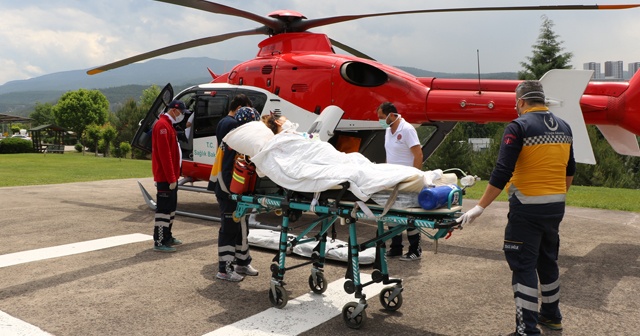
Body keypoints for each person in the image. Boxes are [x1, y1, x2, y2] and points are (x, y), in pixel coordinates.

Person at [456, 80, 575, 336]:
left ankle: (527, 330)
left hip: (527, 209)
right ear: (542, 100)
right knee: (548, 261)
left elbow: (502, 171)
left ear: (520, 102)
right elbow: (570, 171)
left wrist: (479, 207)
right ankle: (552, 317)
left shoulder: (518, 126)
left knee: (523, 266)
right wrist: (557, 196)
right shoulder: (565, 127)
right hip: (555, 208)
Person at [214, 95, 260, 281]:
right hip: (228, 190)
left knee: (241, 226)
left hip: (235, 190)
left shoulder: (233, 133)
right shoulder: (233, 136)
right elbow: (226, 169)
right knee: (229, 228)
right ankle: (224, 269)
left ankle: (242, 261)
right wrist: (230, 194)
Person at [376, 102, 424, 261]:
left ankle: (415, 249)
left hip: (407, 179)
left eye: (382, 117)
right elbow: (390, 154)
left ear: (391, 115)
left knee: (409, 215)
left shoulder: (407, 129)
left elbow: (418, 155)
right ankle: (396, 247)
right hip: (392, 178)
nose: (380, 120)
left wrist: (415, 176)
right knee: (391, 213)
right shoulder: (388, 131)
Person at [151, 99, 188, 252]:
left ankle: (167, 236)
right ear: (174, 110)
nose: (181, 115)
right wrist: (172, 178)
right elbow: (165, 155)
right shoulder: (162, 126)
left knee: (171, 209)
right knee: (163, 210)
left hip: (171, 176)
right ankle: (159, 241)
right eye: (181, 112)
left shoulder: (169, 125)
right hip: (166, 177)